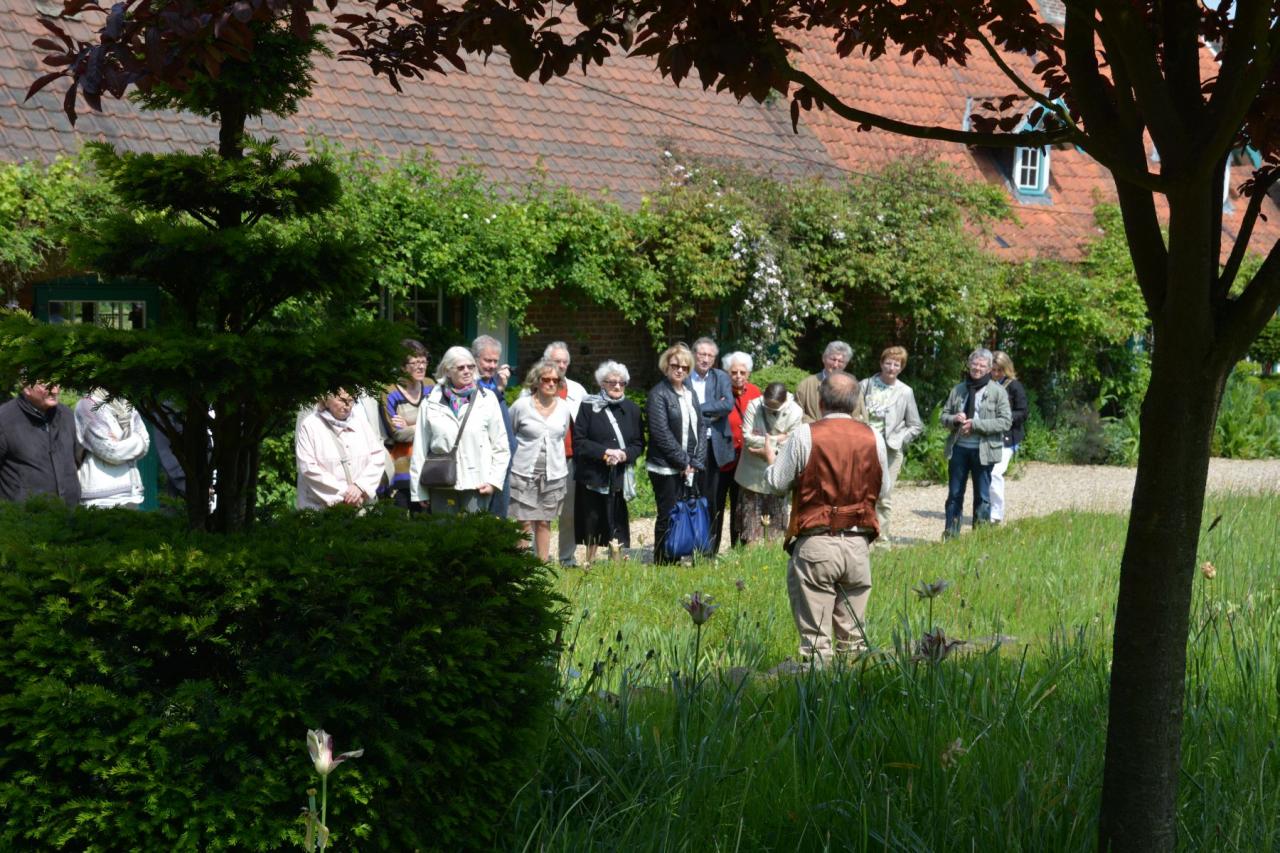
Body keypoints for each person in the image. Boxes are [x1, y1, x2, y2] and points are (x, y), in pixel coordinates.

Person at [764, 371, 888, 662]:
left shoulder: (805, 434)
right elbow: (884, 490)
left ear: (820, 402)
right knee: (854, 642)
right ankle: (854, 700)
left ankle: (817, 704)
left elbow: (777, 483)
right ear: (856, 403)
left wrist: (772, 459)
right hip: (858, 545)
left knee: (816, 645)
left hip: (817, 543)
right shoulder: (874, 437)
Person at [410, 346, 511, 515]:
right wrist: (418, 491)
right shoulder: (430, 402)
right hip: (441, 483)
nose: (467, 371)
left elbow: (501, 445)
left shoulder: (488, 399)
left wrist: (494, 481)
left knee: (475, 537)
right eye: (460, 367)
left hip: (478, 484)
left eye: (470, 366)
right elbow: (419, 449)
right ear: (447, 371)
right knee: (444, 538)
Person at [520, 342, 588, 567]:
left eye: (565, 362)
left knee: (568, 512)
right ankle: (532, 556)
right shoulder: (528, 392)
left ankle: (566, 557)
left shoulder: (577, 391)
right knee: (533, 512)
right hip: (536, 461)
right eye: (556, 361)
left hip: (568, 460)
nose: (561, 366)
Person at [573, 360, 645, 563]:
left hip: (619, 475)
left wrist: (623, 455)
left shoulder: (632, 409)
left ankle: (616, 564)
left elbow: (639, 443)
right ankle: (590, 562)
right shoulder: (588, 406)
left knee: (618, 521)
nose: (617, 386)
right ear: (601, 383)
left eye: (622, 382)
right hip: (593, 475)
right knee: (592, 520)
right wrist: (605, 453)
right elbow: (580, 441)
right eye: (611, 382)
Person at [940, 348, 1012, 539]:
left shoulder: (998, 392)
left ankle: (979, 538)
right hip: (959, 450)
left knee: (982, 497)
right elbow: (943, 416)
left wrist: (976, 425)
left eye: (982, 365)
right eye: (974, 364)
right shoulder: (958, 389)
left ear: (989, 368)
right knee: (954, 495)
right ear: (969, 365)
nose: (977, 368)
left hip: (984, 451)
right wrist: (955, 419)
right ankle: (951, 536)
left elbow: (1006, 421)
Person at [647, 343, 707, 563]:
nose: (679, 370)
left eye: (684, 366)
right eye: (675, 365)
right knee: (668, 514)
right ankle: (663, 561)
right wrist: (684, 463)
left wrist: (696, 460)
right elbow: (660, 434)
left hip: (689, 466)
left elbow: (701, 426)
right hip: (665, 467)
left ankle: (680, 551)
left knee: (685, 511)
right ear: (666, 366)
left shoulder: (690, 392)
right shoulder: (658, 394)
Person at [859, 346, 924, 546]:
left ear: (901, 368)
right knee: (861, 493)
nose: (891, 367)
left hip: (890, 451)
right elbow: (854, 412)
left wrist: (899, 439)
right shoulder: (866, 385)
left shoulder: (905, 392)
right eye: (888, 362)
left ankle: (882, 539)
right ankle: (862, 536)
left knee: (884, 495)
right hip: (864, 447)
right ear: (881, 363)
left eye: (896, 364)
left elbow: (916, 425)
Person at [508, 360, 572, 560]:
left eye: (556, 380)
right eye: (547, 379)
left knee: (544, 521)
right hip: (523, 472)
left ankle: (542, 566)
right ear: (536, 381)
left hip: (553, 473)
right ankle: (522, 566)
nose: (552, 383)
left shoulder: (564, 408)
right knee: (524, 522)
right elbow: (509, 435)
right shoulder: (521, 406)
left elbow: (561, 437)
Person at [734, 381, 803, 545]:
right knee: (750, 528)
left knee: (775, 528)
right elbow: (747, 437)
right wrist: (778, 438)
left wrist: (768, 447)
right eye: (767, 407)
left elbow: (793, 441)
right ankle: (750, 557)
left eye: (775, 409)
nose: (770, 411)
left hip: (778, 471)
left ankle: (772, 554)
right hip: (752, 474)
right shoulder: (754, 406)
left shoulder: (796, 411)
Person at [295, 389, 387, 510]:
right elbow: (308, 467)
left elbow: (377, 456)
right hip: (321, 508)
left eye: (350, 400)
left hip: (361, 504)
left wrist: (360, 486)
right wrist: (345, 493)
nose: (347, 405)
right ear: (326, 401)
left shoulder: (360, 422)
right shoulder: (310, 425)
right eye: (342, 400)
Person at [0, 378, 81, 507]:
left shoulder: (66, 415)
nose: (55, 390)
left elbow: (78, 458)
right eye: (47, 386)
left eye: (58, 383)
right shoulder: (5, 420)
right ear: (26, 387)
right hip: (26, 519)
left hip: (70, 515)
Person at [688, 336, 734, 553]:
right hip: (690, 446)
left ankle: (710, 550)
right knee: (689, 495)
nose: (705, 359)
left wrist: (695, 411)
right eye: (702, 354)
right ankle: (688, 544)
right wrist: (711, 410)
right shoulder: (684, 377)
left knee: (714, 499)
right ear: (694, 355)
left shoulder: (721, 377)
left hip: (715, 447)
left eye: (710, 355)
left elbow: (728, 405)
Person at [380, 339, 434, 513]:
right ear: (403, 366)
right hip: (401, 471)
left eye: (424, 361)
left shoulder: (430, 386)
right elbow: (397, 434)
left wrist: (410, 424)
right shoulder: (390, 392)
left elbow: (440, 425)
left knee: (427, 526)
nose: (421, 366)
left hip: (430, 469)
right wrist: (424, 424)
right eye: (415, 362)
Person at [75, 388, 151, 508]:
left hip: (132, 494)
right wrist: (137, 439)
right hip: (101, 498)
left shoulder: (126, 403)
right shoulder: (87, 405)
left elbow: (146, 443)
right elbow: (111, 452)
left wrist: (124, 441)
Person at [720, 351, 761, 546]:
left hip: (745, 458)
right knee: (718, 503)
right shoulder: (719, 391)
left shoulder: (755, 392)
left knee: (742, 504)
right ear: (727, 372)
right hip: (723, 457)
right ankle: (711, 548)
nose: (738, 376)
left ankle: (741, 545)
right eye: (733, 372)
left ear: (748, 374)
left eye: (742, 372)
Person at [473, 334, 516, 517]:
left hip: (502, 465)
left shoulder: (494, 382)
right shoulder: (469, 385)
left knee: (499, 519)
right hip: (482, 466)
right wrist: (498, 391)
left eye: (495, 361)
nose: (492, 366)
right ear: (475, 358)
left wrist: (500, 388)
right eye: (487, 360)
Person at [990, 350, 1029, 525]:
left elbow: (1023, 412)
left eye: (999, 370)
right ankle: (985, 510)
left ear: (1006, 369)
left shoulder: (1014, 386)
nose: (996, 374)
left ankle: (996, 515)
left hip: (1007, 437)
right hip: (988, 436)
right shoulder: (985, 385)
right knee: (984, 475)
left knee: (995, 473)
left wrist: (1005, 418)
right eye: (993, 370)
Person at [796, 340, 854, 423]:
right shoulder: (806, 385)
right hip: (812, 433)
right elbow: (796, 413)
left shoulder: (851, 387)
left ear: (846, 364)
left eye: (841, 361)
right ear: (824, 358)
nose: (835, 365)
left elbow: (858, 416)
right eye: (833, 359)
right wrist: (819, 426)